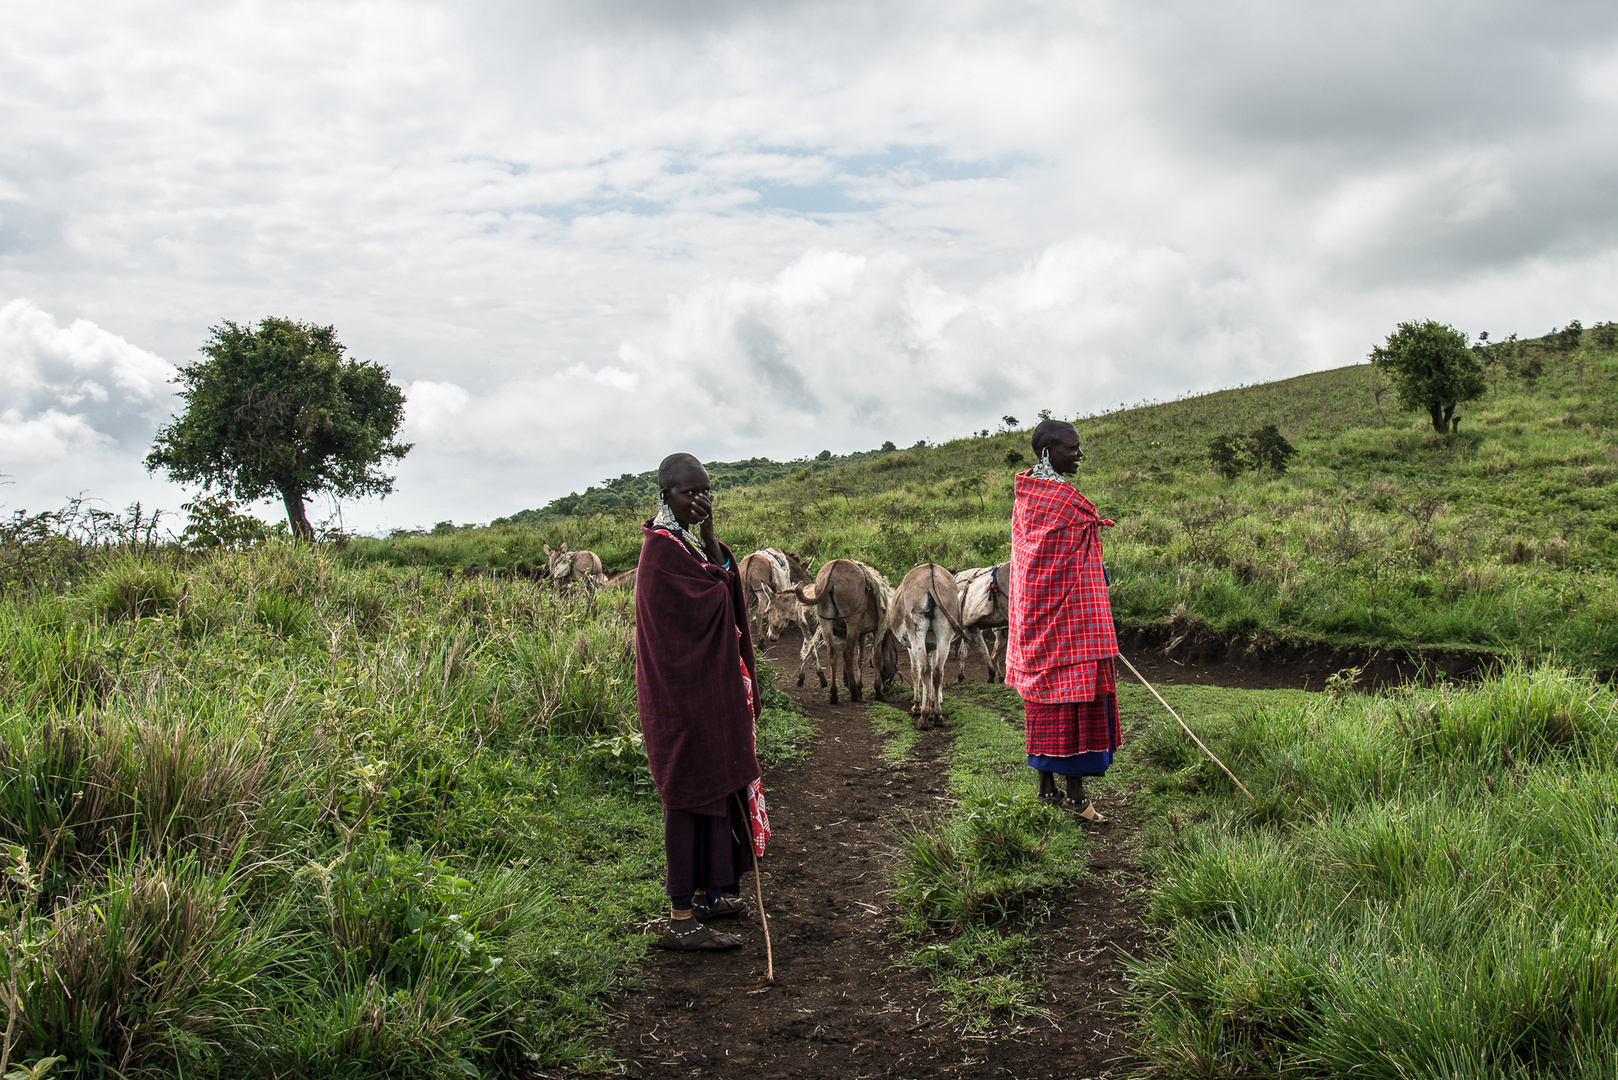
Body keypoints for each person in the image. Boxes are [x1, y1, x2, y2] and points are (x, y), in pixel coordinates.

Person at [635, 452, 769, 950]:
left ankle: (713, 894)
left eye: (705, 492)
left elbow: (725, 579)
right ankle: (680, 917)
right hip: (680, 699)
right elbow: (707, 601)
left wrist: (711, 532)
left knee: (718, 788)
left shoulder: (693, 544)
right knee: (690, 794)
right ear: (665, 493)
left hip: (706, 693)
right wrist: (719, 575)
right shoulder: (660, 551)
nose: (698, 500)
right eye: (689, 493)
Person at [1005, 420, 1120, 823]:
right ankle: (1074, 798)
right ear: (1047, 453)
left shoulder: (1029, 496)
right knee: (1073, 700)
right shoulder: (1057, 499)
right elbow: (1041, 561)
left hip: (1037, 618)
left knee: (1042, 701)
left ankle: (1046, 789)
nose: (1080, 454)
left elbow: (1044, 560)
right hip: (1066, 622)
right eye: (1073, 448)